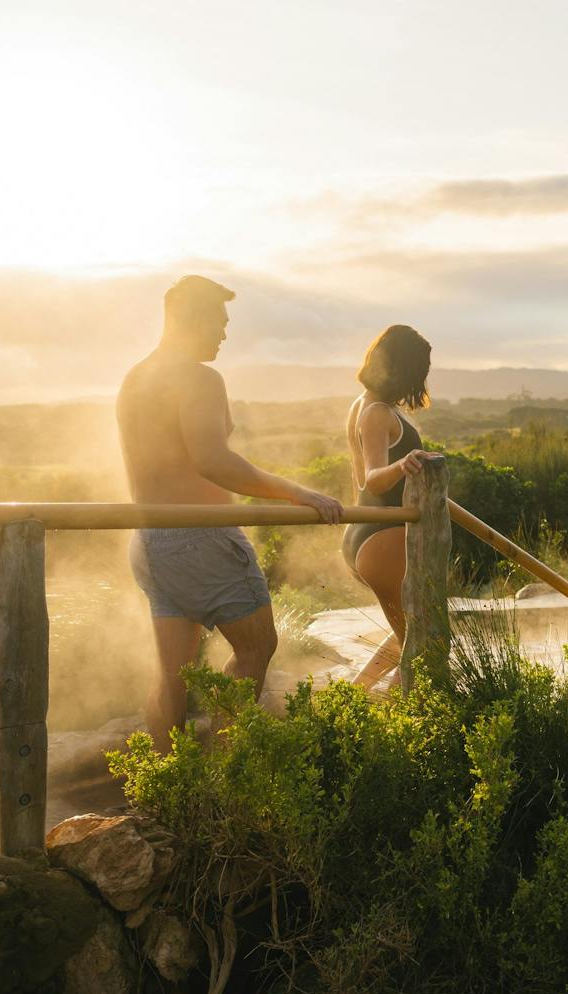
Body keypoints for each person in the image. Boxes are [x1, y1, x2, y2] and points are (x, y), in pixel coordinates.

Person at [116, 275, 346, 746]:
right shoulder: (199, 377)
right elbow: (212, 460)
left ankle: (166, 785)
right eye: (219, 322)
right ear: (192, 318)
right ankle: (227, 772)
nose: (224, 333)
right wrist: (294, 492)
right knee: (257, 647)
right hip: (202, 537)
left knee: (172, 676)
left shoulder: (136, 377)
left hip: (151, 539)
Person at [343, 324, 440, 690]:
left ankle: (353, 695)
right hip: (383, 538)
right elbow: (371, 478)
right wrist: (403, 464)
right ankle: (396, 716)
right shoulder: (377, 412)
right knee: (423, 643)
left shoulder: (360, 404)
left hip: (366, 534)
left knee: (409, 639)